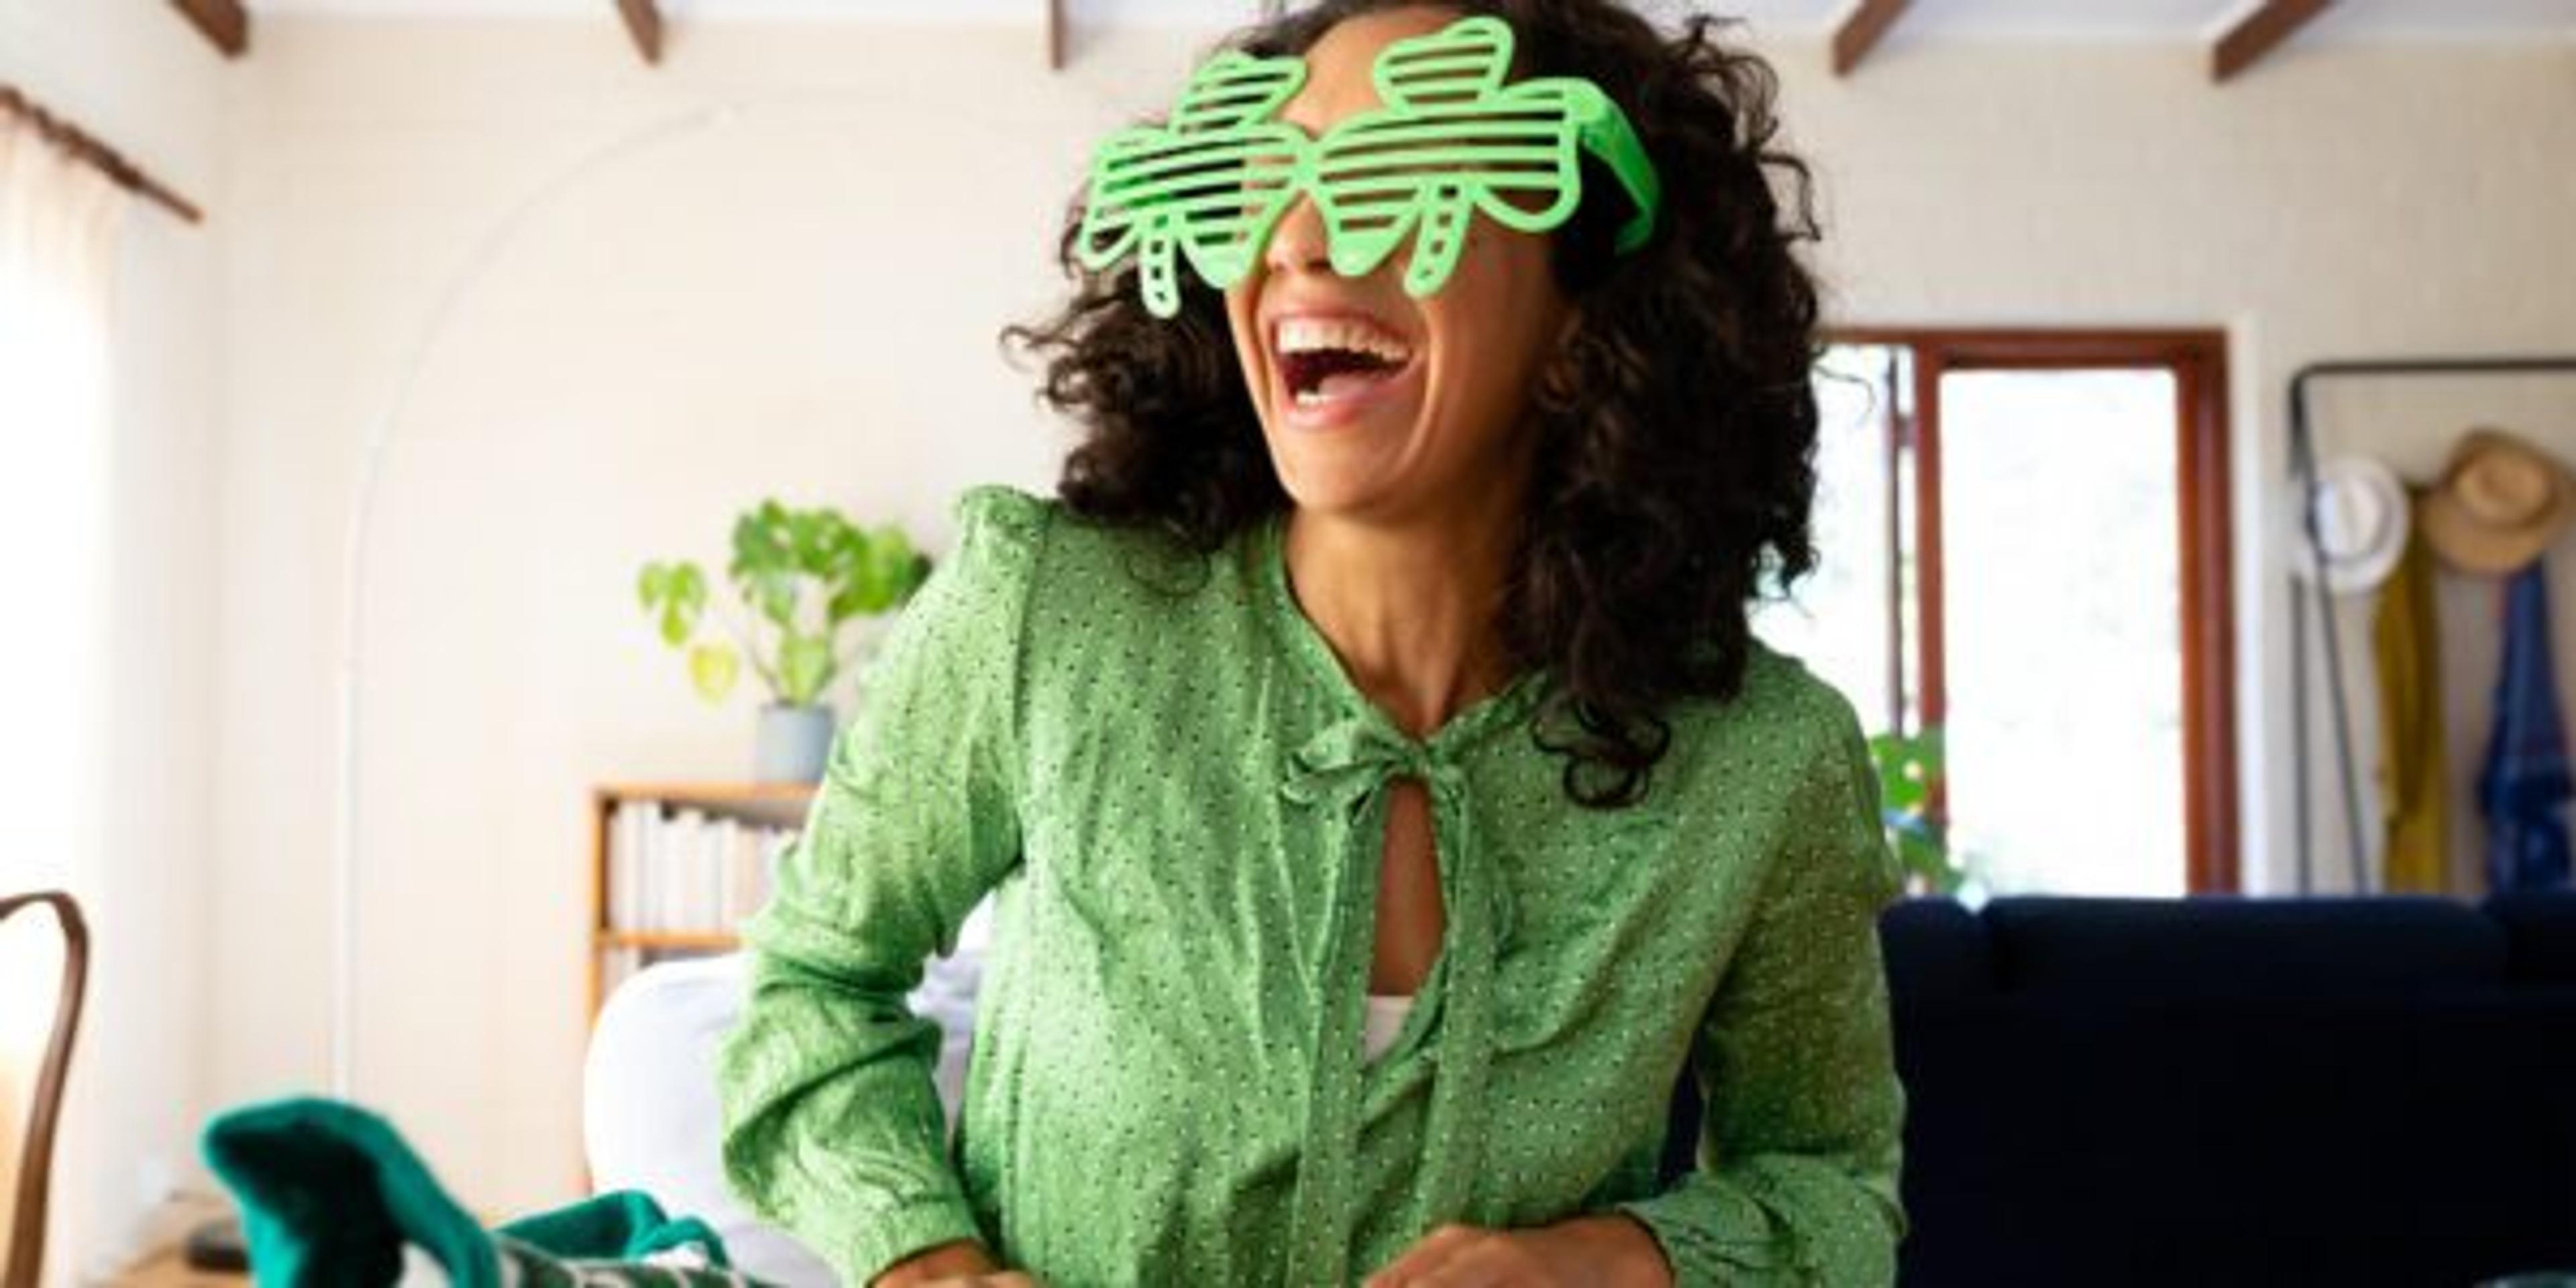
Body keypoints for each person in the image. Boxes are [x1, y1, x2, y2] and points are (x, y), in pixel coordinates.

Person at [716, 2, 1907, 1285]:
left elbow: (1832, 1187)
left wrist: (1614, 1263)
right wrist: (930, 1268)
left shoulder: (1762, 767)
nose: (1298, 239)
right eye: (1261, 181)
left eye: (1399, 177)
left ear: (1586, 317)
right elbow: (811, 992)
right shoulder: (1041, 619)